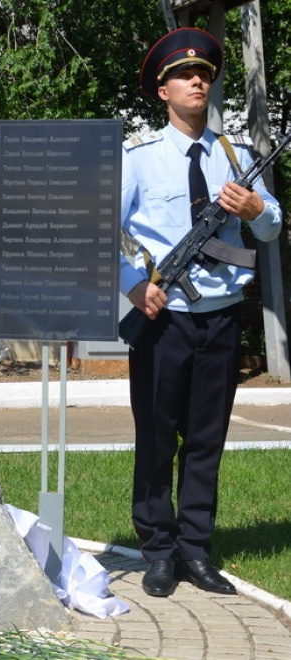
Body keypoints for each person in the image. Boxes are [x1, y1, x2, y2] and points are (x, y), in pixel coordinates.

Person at [120, 27, 280, 598]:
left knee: (206, 440)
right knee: (158, 438)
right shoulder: (137, 157)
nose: (197, 81)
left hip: (221, 317)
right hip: (164, 319)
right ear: (163, 91)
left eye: (205, 75)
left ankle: (195, 549)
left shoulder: (233, 156)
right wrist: (134, 287)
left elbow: (272, 227)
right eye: (184, 76)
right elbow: (105, 232)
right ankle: (158, 551)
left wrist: (257, 207)